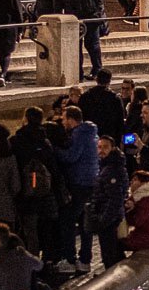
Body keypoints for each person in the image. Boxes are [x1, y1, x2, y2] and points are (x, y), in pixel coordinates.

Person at [10, 106, 61, 259]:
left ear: (25, 119)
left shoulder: (16, 140)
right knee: (45, 229)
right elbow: (53, 167)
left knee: (29, 230)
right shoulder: (44, 141)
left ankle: (29, 264)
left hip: (24, 192)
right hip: (43, 192)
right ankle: (46, 261)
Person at [54, 106, 99, 275]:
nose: (63, 122)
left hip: (79, 182)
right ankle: (85, 260)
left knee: (68, 221)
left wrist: (54, 150)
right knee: (85, 222)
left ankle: (70, 259)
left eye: (65, 119)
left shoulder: (79, 134)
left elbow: (71, 156)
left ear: (72, 120)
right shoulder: (92, 132)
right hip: (91, 181)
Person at [54, 0, 109, 80]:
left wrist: (58, 13)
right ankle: (97, 70)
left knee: (75, 46)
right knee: (93, 44)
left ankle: (77, 72)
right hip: (92, 15)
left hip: (72, 17)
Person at [88, 136, 128, 269]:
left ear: (113, 148)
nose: (101, 150)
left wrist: (103, 220)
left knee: (110, 254)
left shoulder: (112, 170)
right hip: (107, 218)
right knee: (112, 252)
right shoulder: (106, 166)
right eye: (99, 147)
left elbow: (115, 199)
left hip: (109, 220)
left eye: (105, 147)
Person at [78, 68, 125, 145]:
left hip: (90, 138)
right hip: (109, 140)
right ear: (109, 81)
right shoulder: (115, 99)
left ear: (96, 79)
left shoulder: (85, 97)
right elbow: (120, 122)